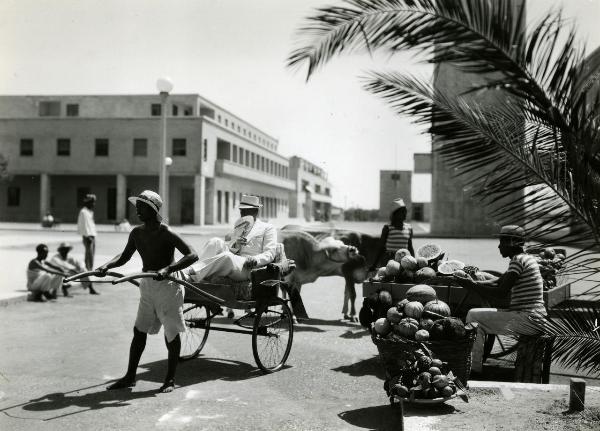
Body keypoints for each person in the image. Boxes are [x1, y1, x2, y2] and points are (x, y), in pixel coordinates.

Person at [96, 190, 198, 393]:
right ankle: (130, 376)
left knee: (171, 333)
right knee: (139, 330)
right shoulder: (136, 233)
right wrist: (107, 266)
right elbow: (124, 256)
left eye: (142, 207)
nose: (138, 211)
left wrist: (169, 269)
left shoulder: (166, 232)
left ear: (153, 209)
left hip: (169, 286)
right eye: (137, 208)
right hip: (148, 284)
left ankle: (170, 379)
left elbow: (192, 254)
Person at [453, 225, 547, 375]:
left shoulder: (517, 261)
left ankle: (474, 369)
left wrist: (472, 286)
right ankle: (476, 364)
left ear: (512, 242)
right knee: (478, 316)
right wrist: (472, 283)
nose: (498, 246)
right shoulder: (526, 258)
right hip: (534, 316)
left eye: (502, 242)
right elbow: (498, 280)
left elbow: (501, 292)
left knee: (472, 315)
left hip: (527, 318)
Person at [185, 194, 277, 283]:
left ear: (256, 211)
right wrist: (236, 244)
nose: (243, 214)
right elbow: (231, 249)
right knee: (215, 241)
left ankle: (191, 275)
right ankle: (195, 272)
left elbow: (270, 253)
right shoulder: (239, 225)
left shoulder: (267, 228)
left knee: (227, 257)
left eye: (247, 211)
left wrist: (255, 259)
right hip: (235, 259)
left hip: (247, 267)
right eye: (242, 211)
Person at [369, 198, 414, 271]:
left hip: (404, 262)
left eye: (405, 211)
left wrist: (413, 263)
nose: (405, 214)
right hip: (389, 262)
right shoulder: (387, 228)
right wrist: (374, 265)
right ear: (395, 214)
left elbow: (410, 248)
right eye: (402, 212)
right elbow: (381, 247)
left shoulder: (409, 228)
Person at [77, 193, 99, 294]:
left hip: (92, 237)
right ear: (88, 202)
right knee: (88, 263)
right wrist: (88, 236)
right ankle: (90, 286)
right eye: (92, 202)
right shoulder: (83, 212)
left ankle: (89, 284)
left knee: (90, 263)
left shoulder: (90, 212)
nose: (94, 204)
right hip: (88, 238)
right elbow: (83, 226)